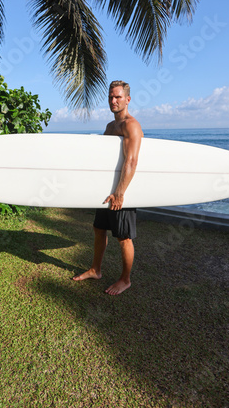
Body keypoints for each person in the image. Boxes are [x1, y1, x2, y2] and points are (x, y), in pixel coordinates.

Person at [73, 80, 143, 295]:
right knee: (99, 229)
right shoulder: (110, 127)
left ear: (128, 99)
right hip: (106, 190)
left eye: (118, 97)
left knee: (123, 237)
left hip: (122, 190)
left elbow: (131, 161)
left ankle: (125, 279)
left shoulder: (131, 125)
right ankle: (95, 269)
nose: (113, 101)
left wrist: (120, 193)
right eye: (111, 97)